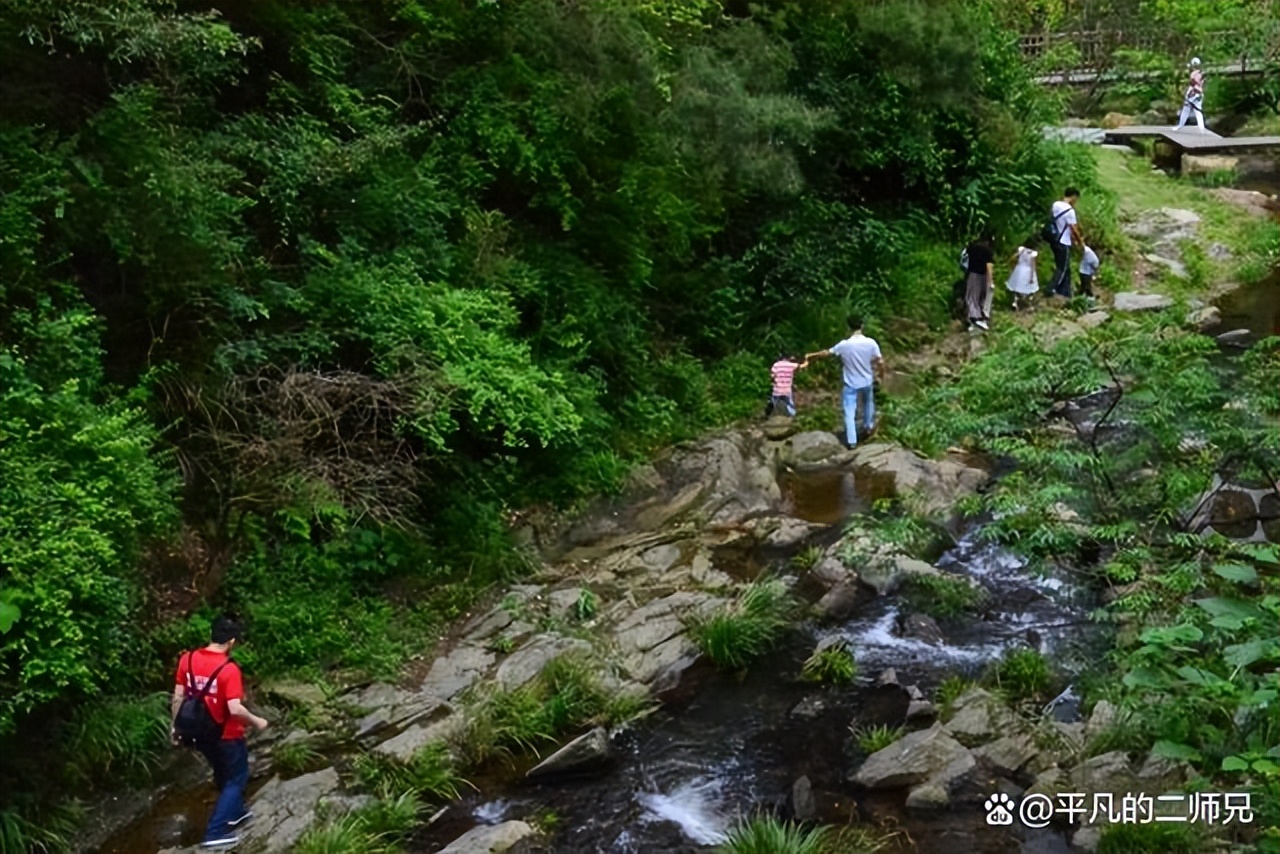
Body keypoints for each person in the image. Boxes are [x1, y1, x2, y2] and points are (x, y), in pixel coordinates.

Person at [172, 616, 269, 849]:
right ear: (231, 641)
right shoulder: (229, 669)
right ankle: (215, 833)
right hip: (226, 734)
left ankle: (235, 812)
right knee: (238, 777)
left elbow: (177, 697)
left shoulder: (189, 658)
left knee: (223, 772)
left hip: (198, 732)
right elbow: (234, 708)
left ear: (212, 634)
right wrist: (257, 721)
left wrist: (174, 728)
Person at [806, 315, 885, 449]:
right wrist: (881, 375)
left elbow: (827, 353)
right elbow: (880, 362)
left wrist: (811, 355)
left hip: (850, 383)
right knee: (868, 404)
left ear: (848, 327)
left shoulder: (844, 345)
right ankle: (868, 427)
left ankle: (852, 441)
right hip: (866, 381)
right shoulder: (871, 343)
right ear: (862, 326)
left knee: (849, 411)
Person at [1047, 189, 1083, 298]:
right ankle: (1050, 289)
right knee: (1062, 268)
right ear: (1073, 197)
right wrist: (1080, 242)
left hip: (1054, 239)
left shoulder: (1056, 205)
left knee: (1066, 267)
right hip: (1063, 241)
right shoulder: (1070, 211)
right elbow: (1074, 229)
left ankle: (1065, 292)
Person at [963, 231, 996, 331]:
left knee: (972, 297)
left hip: (972, 274)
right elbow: (989, 267)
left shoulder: (971, 247)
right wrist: (990, 281)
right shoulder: (988, 251)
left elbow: (964, 259)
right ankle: (978, 318)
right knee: (982, 296)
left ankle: (974, 318)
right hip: (983, 276)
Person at [768, 352, 809, 417]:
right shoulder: (792, 365)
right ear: (788, 358)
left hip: (777, 390)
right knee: (789, 404)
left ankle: (766, 415)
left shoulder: (776, 365)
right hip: (787, 390)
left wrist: (773, 380)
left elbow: (772, 376)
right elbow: (803, 365)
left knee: (772, 402)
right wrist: (806, 359)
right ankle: (793, 415)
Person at [1173, 57, 1206, 133]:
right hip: (1197, 93)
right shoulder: (1201, 73)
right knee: (1189, 110)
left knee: (1192, 110)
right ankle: (1201, 128)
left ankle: (1201, 128)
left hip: (1194, 94)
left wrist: (1191, 93)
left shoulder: (1195, 74)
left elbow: (1195, 84)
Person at [1006, 244, 1039, 311]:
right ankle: (1028, 304)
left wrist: (1011, 262)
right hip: (1027, 271)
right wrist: (1032, 277)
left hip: (1019, 270)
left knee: (1016, 287)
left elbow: (1013, 257)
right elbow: (1033, 265)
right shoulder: (1032, 253)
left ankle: (1015, 302)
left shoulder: (1022, 249)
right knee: (1029, 289)